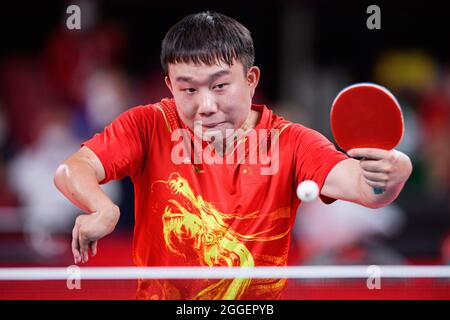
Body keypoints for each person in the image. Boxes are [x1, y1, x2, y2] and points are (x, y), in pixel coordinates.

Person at [54, 11, 413, 300]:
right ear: (170, 85)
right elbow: (71, 170)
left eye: (220, 85)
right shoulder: (147, 125)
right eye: (189, 89)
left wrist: (394, 173)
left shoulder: (292, 141)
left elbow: (367, 191)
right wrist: (103, 207)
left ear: (252, 79)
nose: (206, 105)